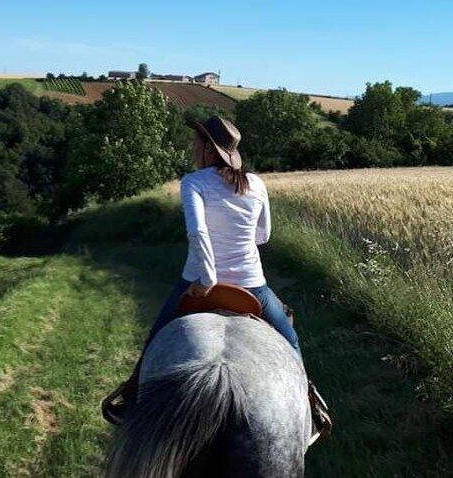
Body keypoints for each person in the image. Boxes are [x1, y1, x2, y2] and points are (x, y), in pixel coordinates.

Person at [102, 115, 331, 441]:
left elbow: (198, 231)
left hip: (197, 282)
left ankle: (130, 400)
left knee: (155, 337)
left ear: (209, 149)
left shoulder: (193, 182)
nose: (193, 147)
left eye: (197, 142)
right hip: (252, 284)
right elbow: (263, 235)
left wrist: (208, 276)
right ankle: (311, 408)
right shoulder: (256, 184)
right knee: (290, 339)